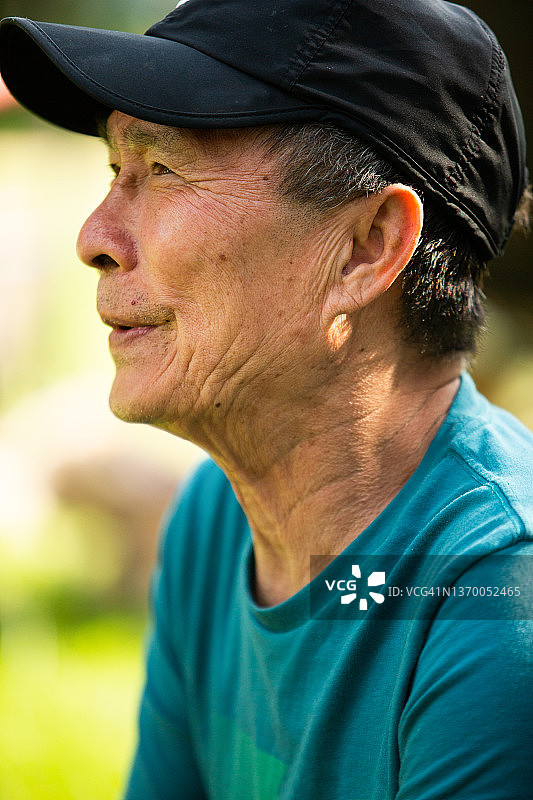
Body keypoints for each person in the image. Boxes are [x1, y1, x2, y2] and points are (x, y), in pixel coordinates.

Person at [1, 1, 532, 797]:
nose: (95, 236)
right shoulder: (218, 522)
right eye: (117, 171)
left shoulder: (497, 610)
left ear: (366, 247)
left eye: (165, 169)